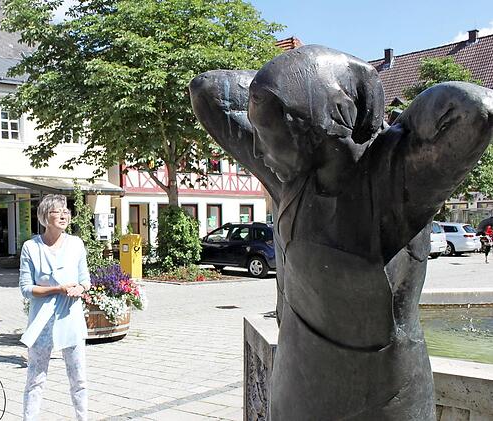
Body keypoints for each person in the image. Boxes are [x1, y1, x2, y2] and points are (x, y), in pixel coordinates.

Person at [190, 45, 493, 420]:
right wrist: (289, 78)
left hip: (383, 399)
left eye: (266, 133)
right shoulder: (287, 180)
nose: (255, 146)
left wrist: (377, 111)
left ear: (311, 131)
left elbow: (475, 110)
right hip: (297, 389)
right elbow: (207, 91)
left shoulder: (395, 183)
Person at [19, 194, 91, 421]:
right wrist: (56, 289)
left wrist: (80, 288)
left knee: (78, 378)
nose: (64, 215)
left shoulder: (76, 243)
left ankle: (82, 418)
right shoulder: (31, 247)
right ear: (44, 217)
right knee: (35, 378)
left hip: (70, 319)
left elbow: (85, 280)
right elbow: (26, 288)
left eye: (66, 211)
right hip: (42, 322)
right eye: (57, 211)